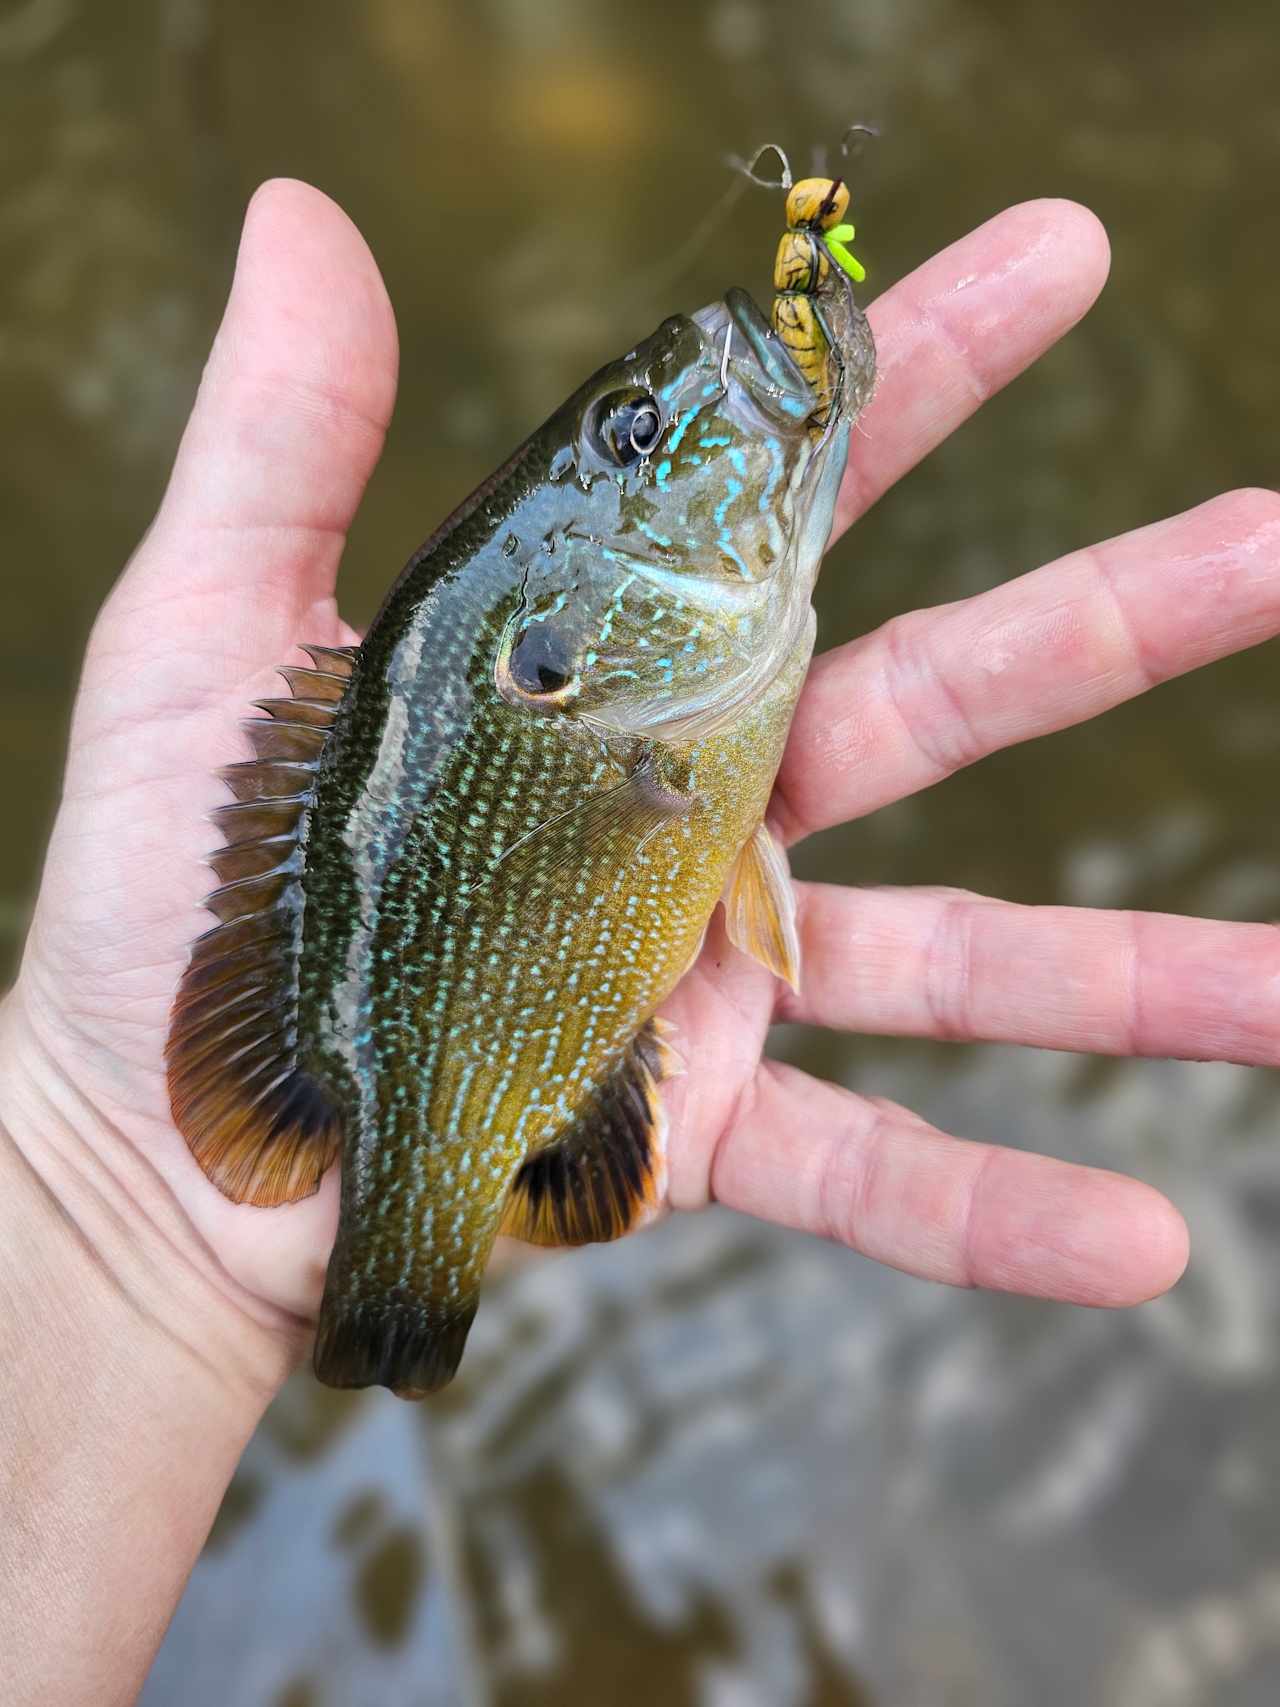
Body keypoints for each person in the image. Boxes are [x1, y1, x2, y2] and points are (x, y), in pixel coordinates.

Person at [2, 178, 1276, 1705]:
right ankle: (403, 1286)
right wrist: (89, 1228)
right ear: (560, 656)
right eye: (628, 439)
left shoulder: (656, 673)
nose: (657, 413)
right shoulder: (617, 694)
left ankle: (404, 1292)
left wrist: (95, 1248)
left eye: (622, 430)